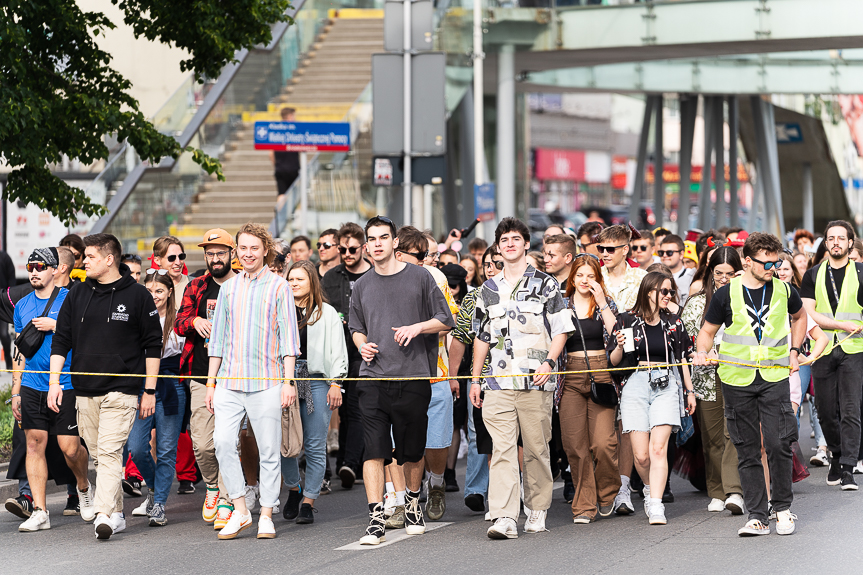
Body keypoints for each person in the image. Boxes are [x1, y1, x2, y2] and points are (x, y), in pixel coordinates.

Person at [348, 216, 454, 545]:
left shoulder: (421, 277)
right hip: (373, 378)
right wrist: (361, 344)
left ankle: (411, 502)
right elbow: (356, 327)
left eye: (384, 237)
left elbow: (445, 321)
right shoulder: (362, 284)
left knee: (411, 451)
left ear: (395, 242)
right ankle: (376, 516)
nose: (378, 243)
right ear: (367, 246)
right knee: (374, 450)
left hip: (413, 375)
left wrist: (416, 328)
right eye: (372, 239)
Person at [50, 233, 163, 540]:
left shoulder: (138, 295)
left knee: (111, 453)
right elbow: (61, 339)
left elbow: (154, 345)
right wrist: (53, 383)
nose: (82, 261)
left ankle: (103, 514)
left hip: (122, 390)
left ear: (109, 259)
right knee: (99, 457)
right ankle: (116, 513)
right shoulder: (77, 294)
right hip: (85, 391)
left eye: (89, 256)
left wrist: (149, 390)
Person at [695, 232, 806, 536]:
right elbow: (706, 332)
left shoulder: (784, 290)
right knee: (746, 450)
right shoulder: (724, 294)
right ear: (747, 261)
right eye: (766, 263)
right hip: (737, 378)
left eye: (776, 262)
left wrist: (795, 351)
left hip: (774, 376)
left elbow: (800, 318)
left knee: (778, 442)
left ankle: (782, 508)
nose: (772, 267)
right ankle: (757, 515)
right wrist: (702, 352)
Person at [470, 217, 574, 539]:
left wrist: (549, 363)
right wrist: (475, 379)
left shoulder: (546, 284)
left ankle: (537, 507)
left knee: (536, 449)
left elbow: (561, 329)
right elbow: (481, 336)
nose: (510, 244)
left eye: (516, 239)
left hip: (536, 381)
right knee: (501, 450)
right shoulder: (487, 289)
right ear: (498, 248)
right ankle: (503, 516)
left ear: (527, 244)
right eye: (504, 240)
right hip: (498, 382)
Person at [205, 223, 301, 540]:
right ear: (237, 251)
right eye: (242, 248)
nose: (248, 254)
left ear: (264, 251)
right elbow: (217, 341)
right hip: (229, 382)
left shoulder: (279, 287)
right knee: (222, 443)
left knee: (269, 450)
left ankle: (267, 515)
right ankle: (241, 509)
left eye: (253, 248)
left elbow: (289, 339)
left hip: (268, 381)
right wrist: (210, 383)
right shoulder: (228, 288)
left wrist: (289, 382)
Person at [10, 248, 93, 531]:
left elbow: (89, 336)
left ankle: (83, 485)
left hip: (66, 382)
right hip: (33, 384)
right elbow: (19, 352)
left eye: (40, 266)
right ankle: (40, 511)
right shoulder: (21, 306)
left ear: (55, 269)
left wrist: (56, 325)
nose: (34, 271)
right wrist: (16, 390)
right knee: (34, 445)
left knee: (69, 449)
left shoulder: (71, 298)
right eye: (30, 266)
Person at [609, 271, 696, 525]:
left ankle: (656, 503)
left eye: (671, 292)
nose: (669, 296)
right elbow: (614, 363)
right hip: (635, 383)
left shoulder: (674, 322)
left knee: (658, 448)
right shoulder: (626, 319)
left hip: (667, 383)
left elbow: (683, 359)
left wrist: (689, 391)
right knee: (641, 456)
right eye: (664, 291)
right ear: (649, 292)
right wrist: (617, 345)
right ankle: (648, 487)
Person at [394, 226, 459, 523]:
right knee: (405, 442)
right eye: (418, 256)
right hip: (397, 374)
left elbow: (450, 323)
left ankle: (436, 482)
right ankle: (407, 497)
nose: (425, 261)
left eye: (425, 255)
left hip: (435, 371)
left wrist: (419, 326)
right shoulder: (383, 279)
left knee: (436, 441)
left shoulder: (436, 278)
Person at [174, 229, 238, 527]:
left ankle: (227, 498)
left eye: (220, 253)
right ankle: (212, 486)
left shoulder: (242, 284)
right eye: (210, 254)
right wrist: (195, 320)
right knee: (202, 442)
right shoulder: (196, 285)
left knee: (228, 440)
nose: (215, 259)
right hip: (200, 375)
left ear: (231, 254)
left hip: (237, 376)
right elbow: (178, 323)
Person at [281, 260, 347, 524]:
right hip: (286, 380)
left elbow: (338, 350)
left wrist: (336, 383)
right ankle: (294, 488)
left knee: (315, 444)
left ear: (312, 282)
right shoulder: (279, 310)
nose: (294, 283)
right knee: (286, 444)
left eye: (300, 279)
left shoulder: (326, 312)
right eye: (290, 279)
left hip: (318, 380)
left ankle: (309, 501)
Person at [680, 247, 745, 515]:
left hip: (739, 374)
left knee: (734, 434)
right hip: (706, 378)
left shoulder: (744, 297)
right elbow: (688, 340)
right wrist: (703, 353)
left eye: (731, 273)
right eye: (719, 273)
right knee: (712, 437)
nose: (724, 278)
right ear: (710, 272)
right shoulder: (696, 302)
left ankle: (734, 491)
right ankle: (716, 491)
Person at [800, 220, 863, 491]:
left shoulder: (861, 272)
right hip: (823, 348)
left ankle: (848, 466)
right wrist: (841, 325)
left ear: (851, 243)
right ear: (825, 244)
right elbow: (808, 313)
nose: (836, 242)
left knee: (850, 409)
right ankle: (836, 455)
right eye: (831, 238)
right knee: (825, 412)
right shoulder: (812, 275)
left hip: (855, 349)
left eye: (842, 238)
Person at [558, 254, 620, 523]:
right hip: (570, 375)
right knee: (575, 445)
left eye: (591, 276)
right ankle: (584, 505)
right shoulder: (561, 304)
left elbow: (617, 336)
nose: (585, 280)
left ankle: (608, 493)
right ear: (572, 277)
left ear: (598, 279)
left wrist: (603, 302)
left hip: (602, 373)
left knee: (603, 443)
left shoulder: (606, 304)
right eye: (580, 275)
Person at [129, 270, 187, 526]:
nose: (154, 296)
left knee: (165, 450)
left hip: (171, 385)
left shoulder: (179, 321)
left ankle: (160, 503)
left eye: (159, 291)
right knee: (137, 447)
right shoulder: (136, 318)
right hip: (142, 385)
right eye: (149, 291)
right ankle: (152, 488)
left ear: (170, 292)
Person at [596, 224, 646, 516]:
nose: (604, 254)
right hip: (597, 360)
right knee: (603, 430)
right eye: (600, 249)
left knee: (627, 425)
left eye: (610, 249)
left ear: (626, 249)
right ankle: (605, 485)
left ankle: (624, 487)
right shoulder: (594, 276)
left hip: (633, 362)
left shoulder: (641, 278)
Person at [448, 246, 502, 517]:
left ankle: (511, 492)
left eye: (497, 263)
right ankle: (476, 491)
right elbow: (459, 339)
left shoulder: (521, 294)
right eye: (487, 264)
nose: (490, 268)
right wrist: (453, 376)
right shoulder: (473, 299)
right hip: (479, 379)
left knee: (509, 438)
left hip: (514, 378)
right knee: (476, 431)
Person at [322, 222, 373, 489]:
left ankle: (350, 464)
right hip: (334, 352)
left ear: (363, 248)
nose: (347, 253)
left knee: (355, 408)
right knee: (335, 410)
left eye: (352, 249)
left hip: (363, 354)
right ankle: (339, 463)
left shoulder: (374, 275)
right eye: (342, 249)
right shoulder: (331, 278)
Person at [270, 107, 300, 210]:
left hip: (280, 168)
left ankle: (280, 216)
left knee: (281, 194)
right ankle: (295, 218)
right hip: (293, 168)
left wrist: (277, 164)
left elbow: (271, 153)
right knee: (296, 195)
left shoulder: (276, 131)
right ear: (290, 116)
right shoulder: (295, 131)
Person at [152, 236, 189, 311]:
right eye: (171, 258)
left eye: (181, 256)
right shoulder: (148, 289)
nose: (178, 262)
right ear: (157, 260)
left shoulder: (194, 285)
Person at [659, 234, 695, 305]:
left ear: (681, 254)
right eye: (661, 252)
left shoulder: (692, 277)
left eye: (670, 252)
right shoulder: (653, 274)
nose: (664, 255)